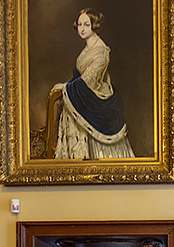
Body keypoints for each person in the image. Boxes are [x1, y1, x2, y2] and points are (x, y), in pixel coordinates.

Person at [51, 8, 136, 160]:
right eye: (79, 25)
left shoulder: (101, 51)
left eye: (86, 24)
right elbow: (80, 75)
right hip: (87, 92)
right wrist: (68, 85)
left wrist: (65, 87)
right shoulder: (89, 46)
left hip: (98, 97)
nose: (82, 29)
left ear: (94, 25)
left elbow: (89, 80)